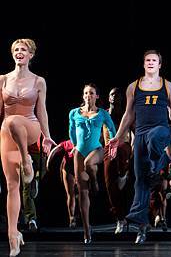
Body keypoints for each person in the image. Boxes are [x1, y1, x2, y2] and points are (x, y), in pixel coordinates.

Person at [107, 50, 171, 245]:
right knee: (141, 181)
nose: (151, 62)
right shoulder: (133, 87)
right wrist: (118, 137)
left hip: (160, 130)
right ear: (143, 64)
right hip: (140, 136)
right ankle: (142, 226)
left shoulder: (168, 86)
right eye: (147, 60)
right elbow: (128, 115)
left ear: (160, 64)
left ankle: (161, 162)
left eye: (154, 60)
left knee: (155, 137)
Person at [1, 39, 55, 256]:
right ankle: (13, 236)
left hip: (30, 126)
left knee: (14, 121)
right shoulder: (3, 80)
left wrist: (47, 136)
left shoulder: (38, 81)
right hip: (7, 133)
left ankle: (27, 160)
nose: (19, 52)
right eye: (16, 49)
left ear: (31, 54)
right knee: (12, 186)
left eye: (23, 49)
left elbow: (42, 111)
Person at [69, 83, 116, 243]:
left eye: (92, 93)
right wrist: (75, 146)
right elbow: (71, 131)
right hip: (79, 152)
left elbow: (112, 129)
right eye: (86, 93)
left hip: (97, 149)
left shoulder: (102, 113)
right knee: (82, 192)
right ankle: (87, 230)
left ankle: (95, 180)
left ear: (97, 96)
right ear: (83, 96)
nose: (88, 95)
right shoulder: (74, 113)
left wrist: (112, 144)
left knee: (90, 164)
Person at [102, 87, 132, 234]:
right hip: (108, 149)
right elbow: (100, 135)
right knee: (109, 184)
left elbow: (136, 131)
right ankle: (120, 219)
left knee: (120, 148)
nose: (115, 97)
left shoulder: (127, 114)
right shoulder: (104, 114)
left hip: (124, 147)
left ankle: (123, 172)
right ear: (109, 98)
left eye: (118, 95)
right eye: (112, 94)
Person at [46, 139, 77, 228]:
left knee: (81, 193)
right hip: (68, 168)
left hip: (80, 168)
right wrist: (48, 161)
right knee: (71, 194)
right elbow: (56, 149)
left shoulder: (85, 141)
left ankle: (80, 215)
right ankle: (72, 218)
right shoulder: (68, 143)